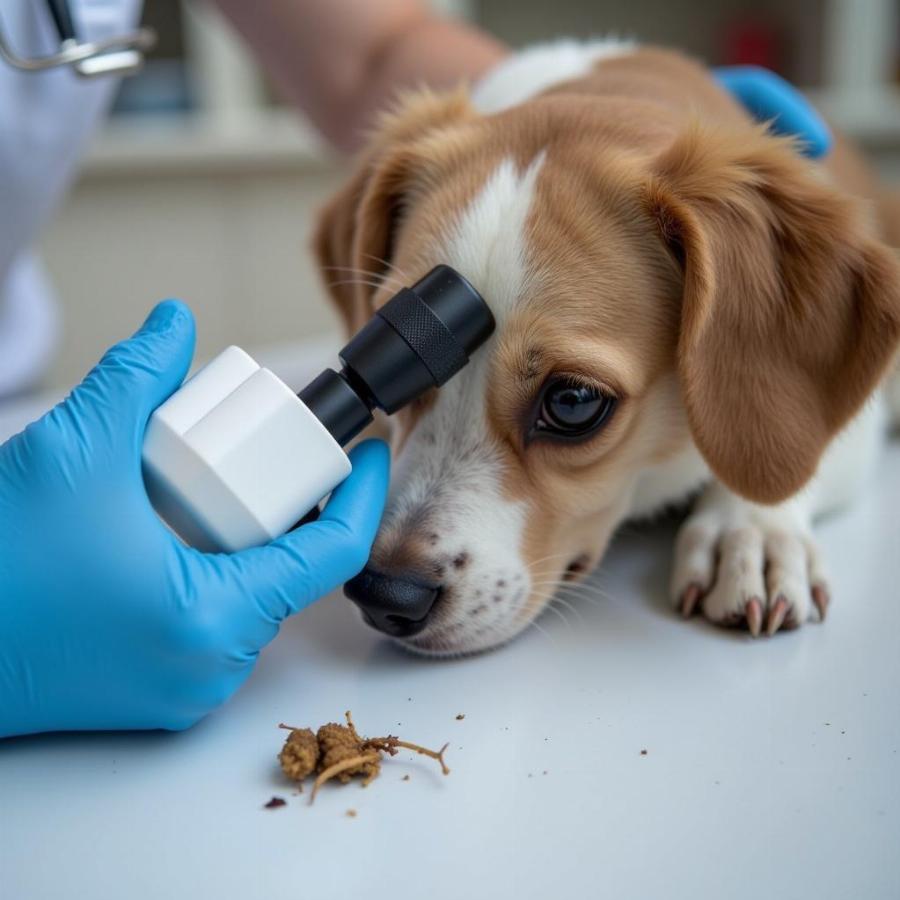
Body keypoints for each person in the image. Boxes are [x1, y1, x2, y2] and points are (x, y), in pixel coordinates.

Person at [0, 0, 832, 739]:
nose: (393, 563)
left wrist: (627, 127)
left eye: (571, 404)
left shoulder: (731, 265)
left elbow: (374, 48)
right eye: (411, 364)